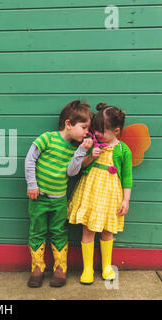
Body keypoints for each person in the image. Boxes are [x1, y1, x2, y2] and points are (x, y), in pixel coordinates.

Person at [25, 100, 93, 288]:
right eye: (84, 127)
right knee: (37, 231)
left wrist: (82, 152)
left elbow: (72, 172)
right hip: (38, 197)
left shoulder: (74, 149)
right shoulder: (47, 138)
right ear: (68, 124)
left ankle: (60, 268)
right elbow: (30, 160)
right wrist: (32, 184)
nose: (87, 132)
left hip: (59, 200)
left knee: (59, 232)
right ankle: (37, 268)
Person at [68, 103, 133, 285]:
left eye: (101, 131)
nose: (96, 133)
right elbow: (82, 166)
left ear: (117, 131)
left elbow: (127, 177)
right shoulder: (92, 145)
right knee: (88, 229)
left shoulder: (123, 150)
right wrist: (91, 156)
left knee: (107, 231)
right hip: (91, 193)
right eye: (95, 129)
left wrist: (126, 200)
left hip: (111, 196)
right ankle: (87, 268)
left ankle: (106, 266)